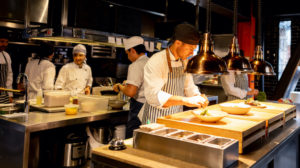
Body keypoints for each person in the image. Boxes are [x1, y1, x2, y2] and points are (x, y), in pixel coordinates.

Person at [142, 23, 209, 124]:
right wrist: (184, 100)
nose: (192, 53)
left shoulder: (184, 61)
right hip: (155, 119)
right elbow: (153, 95)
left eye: (194, 50)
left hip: (175, 116)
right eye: (190, 49)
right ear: (178, 43)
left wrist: (198, 96)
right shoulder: (157, 61)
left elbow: (189, 86)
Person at [113, 36, 149, 138]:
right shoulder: (150, 61)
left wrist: (120, 87)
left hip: (139, 107)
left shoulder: (135, 65)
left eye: (128, 53)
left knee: (133, 138)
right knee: (144, 137)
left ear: (132, 50)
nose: (128, 57)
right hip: (150, 107)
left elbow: (130, 92)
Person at [0, 30, 13, 103]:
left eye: (6, 42)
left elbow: (9, 75)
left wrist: (10, 95)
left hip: (4, 95)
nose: (5, 44)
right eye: (2, 41)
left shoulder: (6, 55)